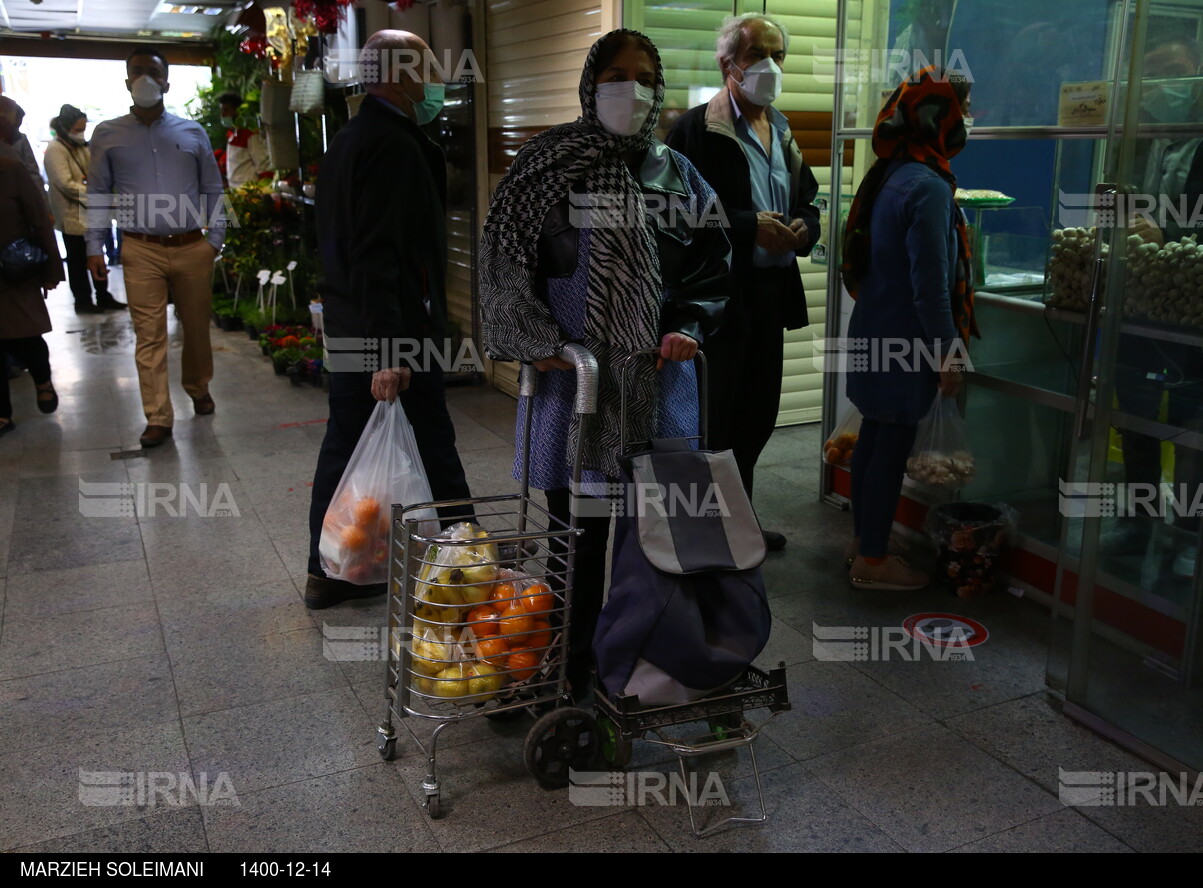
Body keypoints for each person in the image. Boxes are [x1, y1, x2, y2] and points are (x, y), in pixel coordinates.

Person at [479, 29, 731, 693]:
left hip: (658, 376)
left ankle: (648, 653)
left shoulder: (679, 176)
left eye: (644, 75)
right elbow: (505, 265)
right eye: (616, 74)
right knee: (576, 528)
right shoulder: (545, 165)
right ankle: (564, 658)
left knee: (662, 521)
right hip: (577, 382)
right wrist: (537, 338)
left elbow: (711, 269)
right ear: (590, 84)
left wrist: (689, 326)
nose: (631, 87)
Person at [305, 30, 473, 610]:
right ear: (399, 75)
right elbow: (380, 255)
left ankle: (325, 570)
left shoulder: (351, 139)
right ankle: (465, 553)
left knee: (346, 443)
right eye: (427, 68)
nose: (436, 81)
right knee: (433, 441)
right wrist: (391, 352)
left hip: (355, 322)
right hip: (392, 329)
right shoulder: (393, 145)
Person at [665, 12, 820, 552]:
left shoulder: (781, 128)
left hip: (770, 295)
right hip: (719, 299)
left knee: (758, 414)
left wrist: (806, 224)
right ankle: (707, 532)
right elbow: (679, 214)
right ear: (728, 63)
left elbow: (808, 196)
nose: (769, 65)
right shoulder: (696, 129)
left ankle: (741, 518)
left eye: (778, 54)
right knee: (716, 420)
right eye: (757, 54)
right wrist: (751, 224)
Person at [1103, 37, 1203, 578]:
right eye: (1154, 75)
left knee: (1194, 426)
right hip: (1139, 301)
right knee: (1133, 415)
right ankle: (1137, 522)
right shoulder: (1142, 136)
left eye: (1174, 72)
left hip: (1200, 303)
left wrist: (1171, 231)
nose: (1165, 88)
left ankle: (1190, 534)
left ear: (1201, 71)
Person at [839, 67, 975, 590]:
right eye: (964, 112)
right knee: (888, 450)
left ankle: (863, 543)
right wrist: (947, 351)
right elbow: (931, 286)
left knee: (875, 439)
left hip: (875, 328)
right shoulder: (929, 186)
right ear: (942, 119)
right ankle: (874, 562)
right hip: (907, 339)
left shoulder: (893, 173)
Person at [85, 45, 225, 448]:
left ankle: (198, 386)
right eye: (138, 71)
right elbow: (97, 192)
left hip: (191, 246)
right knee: (149, 334)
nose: (146, 78)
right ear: (127, 81)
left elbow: (213, 188)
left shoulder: (191, 131)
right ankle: (159, 416)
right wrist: (94, 245)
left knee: (197, 328)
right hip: (139, 247)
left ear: (167, 81)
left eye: (153, 71)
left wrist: (214, 240)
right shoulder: (107, 134)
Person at [0, 96, 65, 437]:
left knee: (27, 336)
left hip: (16, 268)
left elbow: (40, 219)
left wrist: (52, 269)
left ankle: (42, 380)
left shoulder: (11, 169)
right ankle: (2, 413)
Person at [44, 104, 127, 315]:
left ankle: (103, 295)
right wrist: (95, 196)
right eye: (77, 129)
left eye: (83, 128)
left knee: (98, 254)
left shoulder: (82, 147)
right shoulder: (56, 149)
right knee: (78, 260)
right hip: (73, 215)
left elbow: (97, 174)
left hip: (93, 214)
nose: (81, 132)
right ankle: (82, 300)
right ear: (65, 127)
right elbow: (65, 184)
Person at [218, 91, 269, 190]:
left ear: (237, 111)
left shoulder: (249, 134)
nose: (222, 115)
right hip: (236, 192)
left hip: (250, 192)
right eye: (222, 111)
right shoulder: (231, 136)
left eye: (226, 110)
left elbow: (263, 165)